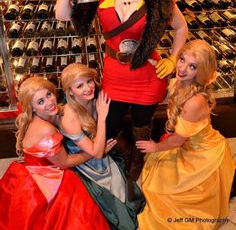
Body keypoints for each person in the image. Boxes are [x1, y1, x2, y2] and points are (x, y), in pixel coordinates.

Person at [55, 0, 188, 180]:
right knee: (110, 124)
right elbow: (62, 15)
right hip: (115, 73)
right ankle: (125, 156)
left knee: (141, 127)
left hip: (148, 75)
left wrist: (173, 58)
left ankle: (137, 164)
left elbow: (181, 27)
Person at [136, 39, 235, 230]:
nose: (182, 68)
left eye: (192, 66)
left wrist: (155, 146)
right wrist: (154, 67)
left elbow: (177, 141)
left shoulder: (194, 102)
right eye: (181, 59)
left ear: (202, 71)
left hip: (202, 153)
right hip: (192, 145)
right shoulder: (180, 82)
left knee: (171, 197)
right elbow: (168, 89)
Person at [0, 77, 110, 230]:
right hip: (46, 175)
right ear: (32, 108)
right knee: (81, 209)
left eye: (48, 95)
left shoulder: (45, 114)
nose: (49, 102)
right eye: (40, 102)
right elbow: (63, 163)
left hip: (32, 168)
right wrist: (92, 152)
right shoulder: (45, 129)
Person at [59, 63, 145, 230]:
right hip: (85, 164)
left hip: (100, 151)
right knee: (109, 207)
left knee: (123, 186)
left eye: (89, 81)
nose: (87, 88)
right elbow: (97, 153)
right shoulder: (69, 117)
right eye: (79, 85)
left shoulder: (95, 95)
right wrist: (103, 117)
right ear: (69, 91)